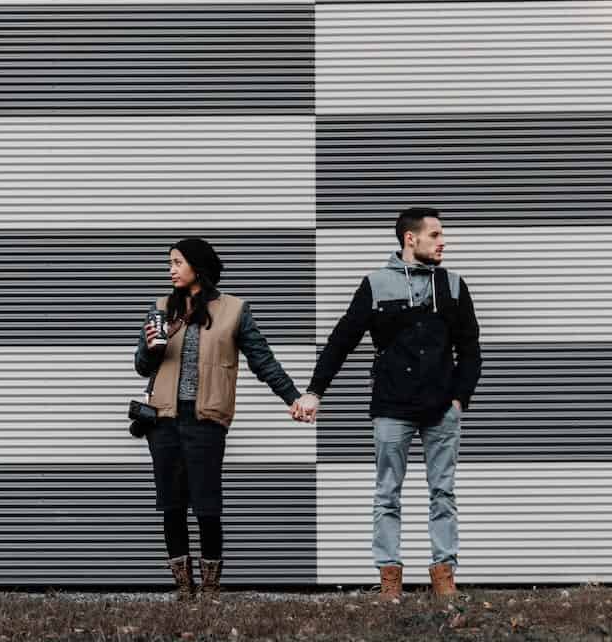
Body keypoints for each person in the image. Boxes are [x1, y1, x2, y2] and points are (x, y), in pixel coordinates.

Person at [294, 208, 481, 601]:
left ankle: (444, 575)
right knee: (387, 493)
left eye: (441, 234)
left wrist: (459, 400)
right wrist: (314, 391)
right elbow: (341, 340)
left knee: (442, 492)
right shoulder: (376, 284)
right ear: (410, 240)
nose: (442, 241)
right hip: (391, 407)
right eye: (434, 235)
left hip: (440, 410)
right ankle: (389, 578)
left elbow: (470, 350)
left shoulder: (453, 285)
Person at [135, 238, 307, 601]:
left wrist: (293, 397)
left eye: (177, 262)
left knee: (207, 505)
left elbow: (263, 361)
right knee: (171, 505)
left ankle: (210, 589)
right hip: (163, 422)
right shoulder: (161, 308)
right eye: (170, 263)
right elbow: (141, 366)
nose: (170, 269)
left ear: (198, 267)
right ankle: (184, 588)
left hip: (206, 422)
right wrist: (152, 348)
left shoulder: (234, 310)